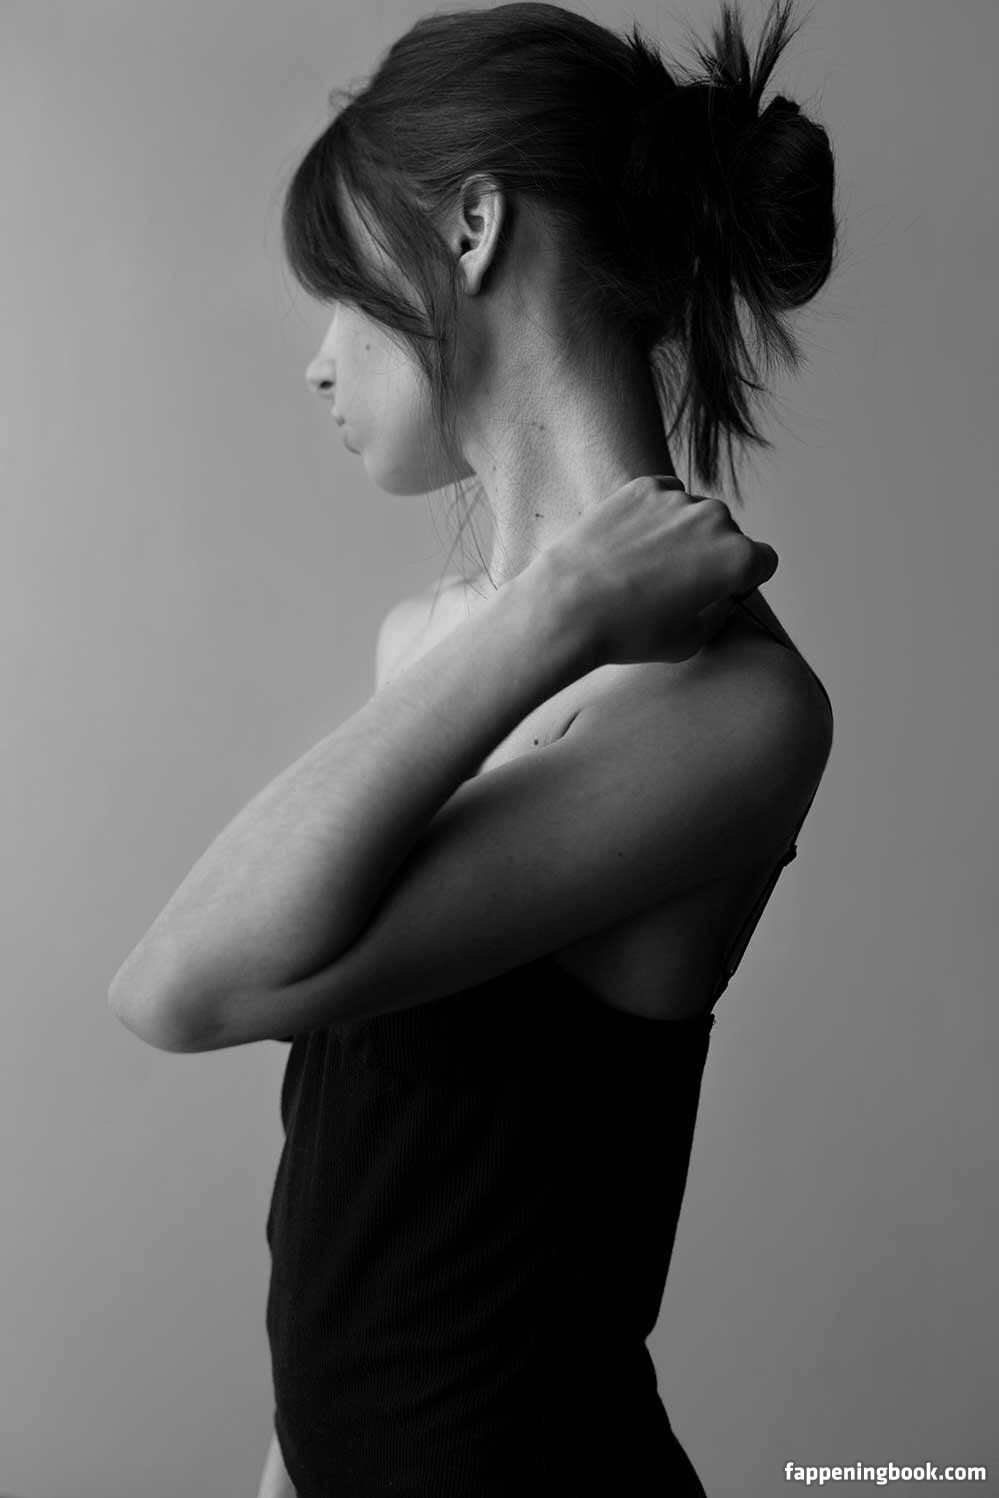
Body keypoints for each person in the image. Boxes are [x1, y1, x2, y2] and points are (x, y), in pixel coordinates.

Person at [107, 2, 838, 1493]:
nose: (320, 363)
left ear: (473, 226)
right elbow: (358, 1184)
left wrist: (557, 611)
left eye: (341, 290)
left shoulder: (734, 709)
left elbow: (182, 985)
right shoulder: (437, 649)